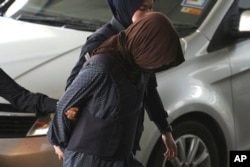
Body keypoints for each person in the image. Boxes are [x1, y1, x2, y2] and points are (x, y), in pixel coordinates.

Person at [0, 0, 177, 161]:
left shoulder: (144, 42)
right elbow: (72, 96)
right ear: (125, 7)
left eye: (151, 8)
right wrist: (60, 137)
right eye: (142, 8)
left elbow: (149, 89)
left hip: (122, 143)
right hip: (95, 150)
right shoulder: (101, 46)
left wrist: (164, 128)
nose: (149, 15)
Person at [47, 12, 184, 167]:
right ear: (145, 46)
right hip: (89, 160)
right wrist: (59, 143)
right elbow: (66, 103)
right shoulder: (102, 67)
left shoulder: (139, 67)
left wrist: (165, 130)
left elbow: (150, 95)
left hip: (122, 156)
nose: (156, 65)